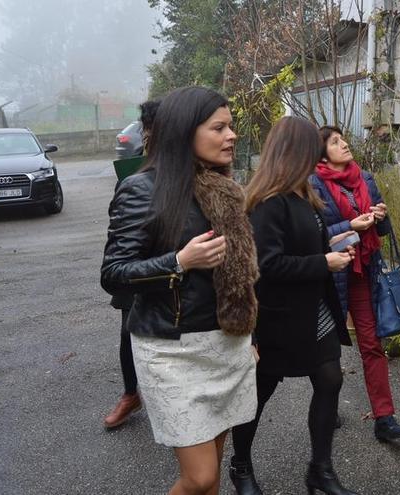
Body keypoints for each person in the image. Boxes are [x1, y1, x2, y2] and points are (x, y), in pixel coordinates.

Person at [101, 86, 259, 495]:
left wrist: (249, 335)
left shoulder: (224, 188)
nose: (232, 135)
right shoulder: (142, 189)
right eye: (219, 127)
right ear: (185, 131)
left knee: (211, 476)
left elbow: (240, 275)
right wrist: (178, 262)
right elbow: (114, 273)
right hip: (172, 351)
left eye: (232, 126)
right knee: (200, 476)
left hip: (226, 346)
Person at [229, 116, 359, 495]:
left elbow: (307, 245)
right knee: (260, 392)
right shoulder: (268, 203)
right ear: (295, 152)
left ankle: (320, 470)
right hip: (278, 318)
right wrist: (324, 263)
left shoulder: (305, 193)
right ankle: (241, 467)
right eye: (313, 150)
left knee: (330, 379)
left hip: (314, 310)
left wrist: (334, 246)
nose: (318, 157)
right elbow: (267, 265)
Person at [310, 125, 400, 442]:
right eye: (335, 142)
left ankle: (384, 417)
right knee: (327, 347)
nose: (344, 144)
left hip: (364, 272)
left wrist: (381, 215)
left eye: (344, 139)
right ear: (322, 152)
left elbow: (382, 232)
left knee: (371, 343)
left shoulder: (364, 178)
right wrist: (350, 225)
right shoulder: (313, 183)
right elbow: (316, 232)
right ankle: (328, 404)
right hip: (332, 275)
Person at [103, 98, 160, 430]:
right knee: (129, 331)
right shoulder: (133, 175)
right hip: (136, 265)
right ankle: (130, 394)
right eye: (148, 128)